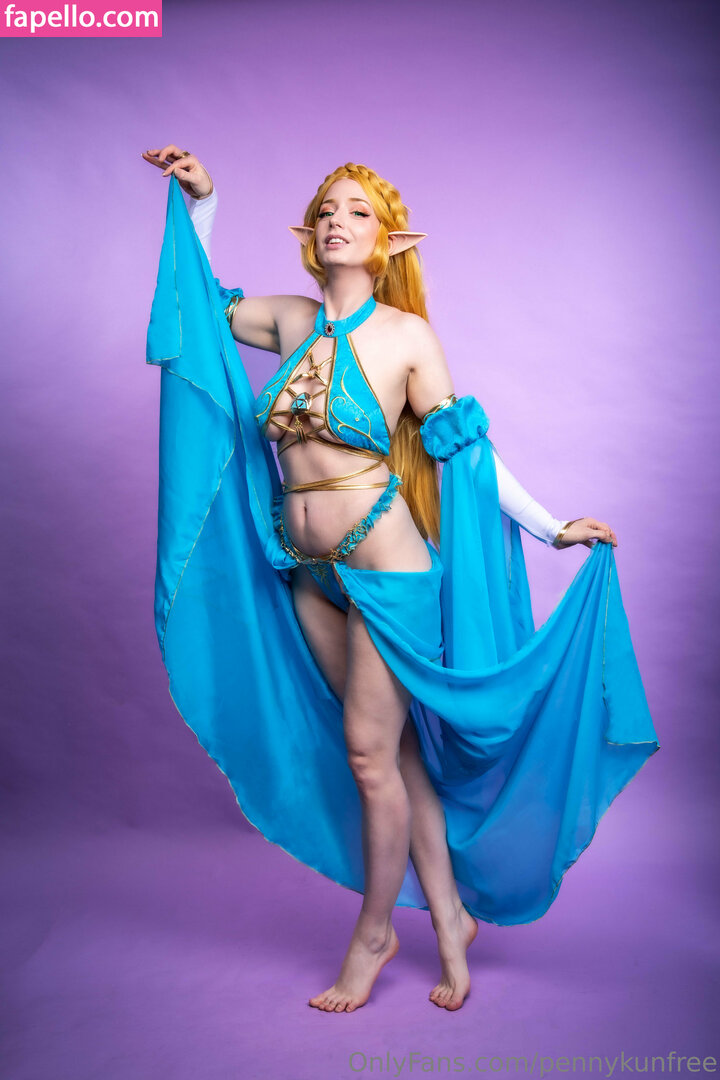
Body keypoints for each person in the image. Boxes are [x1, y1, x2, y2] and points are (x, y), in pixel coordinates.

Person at [141, 145, 659, 1014]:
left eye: (358, 212)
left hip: (386, 568)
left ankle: (375, 935)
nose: (338, 221)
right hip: (309, 571)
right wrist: (205, 203)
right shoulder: (289, 320)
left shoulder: (408, 337)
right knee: (392, 753)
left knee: (367, 757)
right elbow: (195, 306)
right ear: (309, 234)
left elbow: (466, 454)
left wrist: (552, 527)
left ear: (388, 240)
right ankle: (449, 914)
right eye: (326, 210)